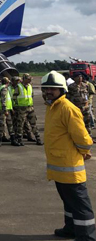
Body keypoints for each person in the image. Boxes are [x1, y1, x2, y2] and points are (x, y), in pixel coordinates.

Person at [41, 71, 95, 241]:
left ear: (62, 90)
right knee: (69, 202)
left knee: (80, 204)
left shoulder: (67, 108)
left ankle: (87, 236)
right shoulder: (52, 107)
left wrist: (84, 152)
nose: (49, 91)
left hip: (70, 167)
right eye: (46, 88)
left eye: (53, 89)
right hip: (58, 167)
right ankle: (71, 228)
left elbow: (83, 138)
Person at [12, 74, 43, 146]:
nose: (30, 80)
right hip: (21, 108)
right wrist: (17, 106)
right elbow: (14, 97)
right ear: (24, 79)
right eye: (28, 79)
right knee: (20, 124)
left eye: (30, 79)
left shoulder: (30, 86)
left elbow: (31, 96)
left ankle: (38, 138)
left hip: (30, 107)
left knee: (33, 124)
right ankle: (19, 139)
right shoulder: (18, 86)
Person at [0, 77, 14, 146]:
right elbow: (3, 100)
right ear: (7, 82)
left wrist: (11, 108)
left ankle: (12, 139)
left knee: (9, 124)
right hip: (3, 110)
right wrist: (5, 110)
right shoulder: (4, 88)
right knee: (2, 125)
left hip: (6, 109)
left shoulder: (3, 88)